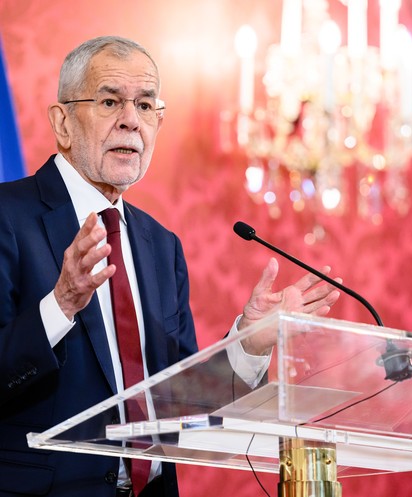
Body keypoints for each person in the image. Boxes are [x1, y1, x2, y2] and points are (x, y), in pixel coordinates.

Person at [0, 36, 341, 497]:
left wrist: (250, 342)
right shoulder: (7, 216)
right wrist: (60, 305)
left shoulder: (161, 245)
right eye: (109, 101)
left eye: (145, 105)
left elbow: (181, 404)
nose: (131, 120)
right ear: (62, 122)